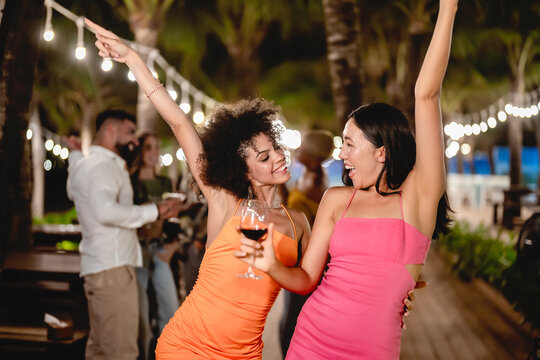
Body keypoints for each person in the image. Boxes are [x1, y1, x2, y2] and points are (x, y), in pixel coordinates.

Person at [237, 0, 456, 358]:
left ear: (381, 151)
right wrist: (272, 266)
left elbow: (426, 94)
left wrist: (447, 8)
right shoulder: (338, 199)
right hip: (310, 340)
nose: (340, 154)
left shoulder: (418, 199)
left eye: (349, 144)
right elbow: (307, 278)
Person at [85, 20, 311, 360]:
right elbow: (179, 123)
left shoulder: (299, 222)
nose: (279, 158)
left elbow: (316, 278)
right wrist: (133, 58)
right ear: (242, 169)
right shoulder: (225, 202)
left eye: (276, 149)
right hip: (187, 347)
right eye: (264, 157)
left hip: (245, 354)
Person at [66, 110, 182, 360]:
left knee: (99, 349)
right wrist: (155, 210)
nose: (135, 141)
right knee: (121, 352)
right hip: (113, 270)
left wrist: (75, 154)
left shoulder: (86, 164)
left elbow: (73, 185)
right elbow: (106, 211)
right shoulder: (102, 166)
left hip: (101, 267)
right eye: (130, 132)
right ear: (111, 130)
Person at [280, 129, 334, 356]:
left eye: (302, 147)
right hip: (299, 255)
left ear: (311, 155)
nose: (297, 149)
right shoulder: (310, 175)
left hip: (306, 259)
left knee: (292, 324)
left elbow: (293, 213)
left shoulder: (313, 182)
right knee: (289, 319)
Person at [129, 132, 183, 360]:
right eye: (148, 147)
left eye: (156, 147)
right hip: (137, 251)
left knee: (171, 307)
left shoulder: (164, 183)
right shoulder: (130, 182)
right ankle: (143, 353)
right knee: (139, 314)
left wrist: (172, 248)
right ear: (140, 152)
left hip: (160, 249)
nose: (153, 152)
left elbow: (174, 221)